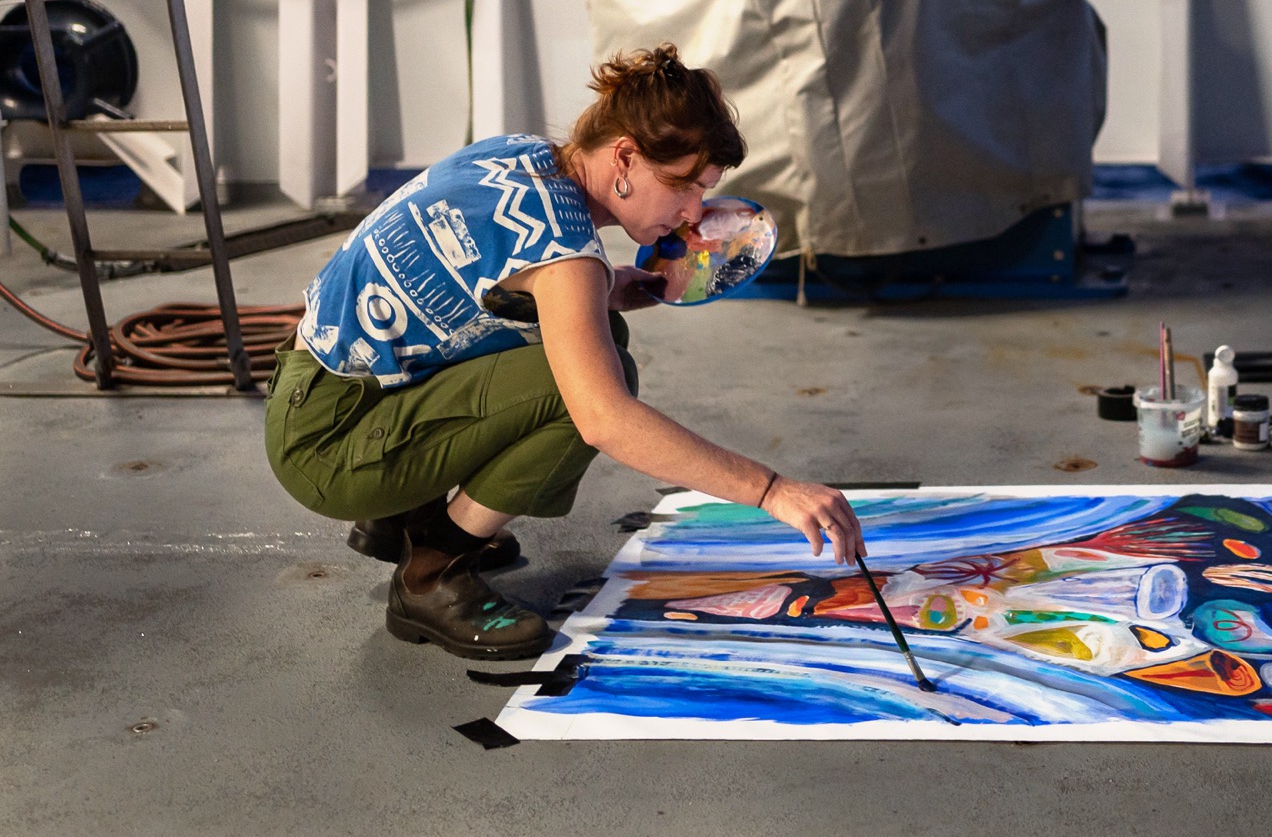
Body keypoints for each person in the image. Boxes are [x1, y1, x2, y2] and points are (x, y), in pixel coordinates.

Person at [264, 44, 864, 661]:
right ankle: (433, 567)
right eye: (684, 187)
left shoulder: (519, 155)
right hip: (327, 448)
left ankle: (401, 516)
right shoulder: (567, 257)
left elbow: (483, 287)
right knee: (591, 385)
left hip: (319, 385)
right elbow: (605, 421)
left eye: (705, 192)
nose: (692, 215)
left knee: (599, 335)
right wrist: (770, 491)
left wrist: (603, 287)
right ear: (625, 156)